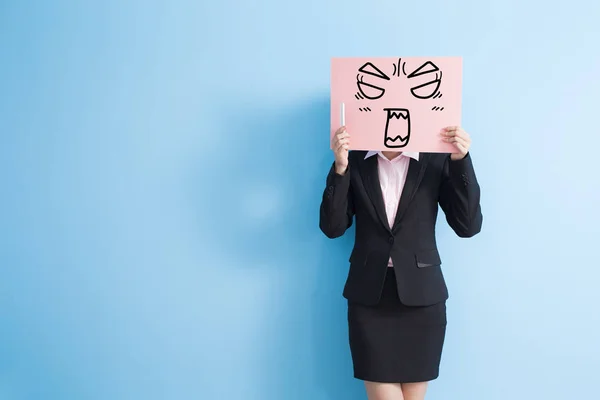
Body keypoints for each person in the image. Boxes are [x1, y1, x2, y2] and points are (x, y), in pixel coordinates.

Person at [319, 125, 483, 400]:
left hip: (422, 297)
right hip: (370, 297)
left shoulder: (435, 157)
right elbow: (333, 227)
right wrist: (340, 167)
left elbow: (467, 225)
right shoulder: (354, 158)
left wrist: (460, 161)